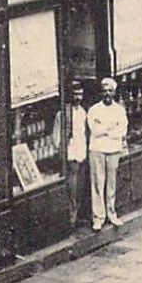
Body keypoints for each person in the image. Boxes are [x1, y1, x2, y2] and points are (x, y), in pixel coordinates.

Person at [86, 77, 128, 230]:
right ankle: (98, 217)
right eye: (104, 91)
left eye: (110, 91)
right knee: (97, 183)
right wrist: (110, 128)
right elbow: (95, 130)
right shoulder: (94, 110)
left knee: (111, 183)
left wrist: (106, 129)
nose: (107, 94)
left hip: (113, 149)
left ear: (114, 92)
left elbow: (122, 130)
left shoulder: (119, 110)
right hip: (97, 149)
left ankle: (111, 213)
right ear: (100, 93)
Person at [62, 80, 90, 229]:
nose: (78, 97)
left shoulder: (83, 112)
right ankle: (71, 217)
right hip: (71, 150)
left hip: (82, 149)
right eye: (75, 94)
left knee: (80, 184)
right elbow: (58, 133)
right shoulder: (65, 112)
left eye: (80, 94)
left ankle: (77, 214)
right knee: (72, 185)